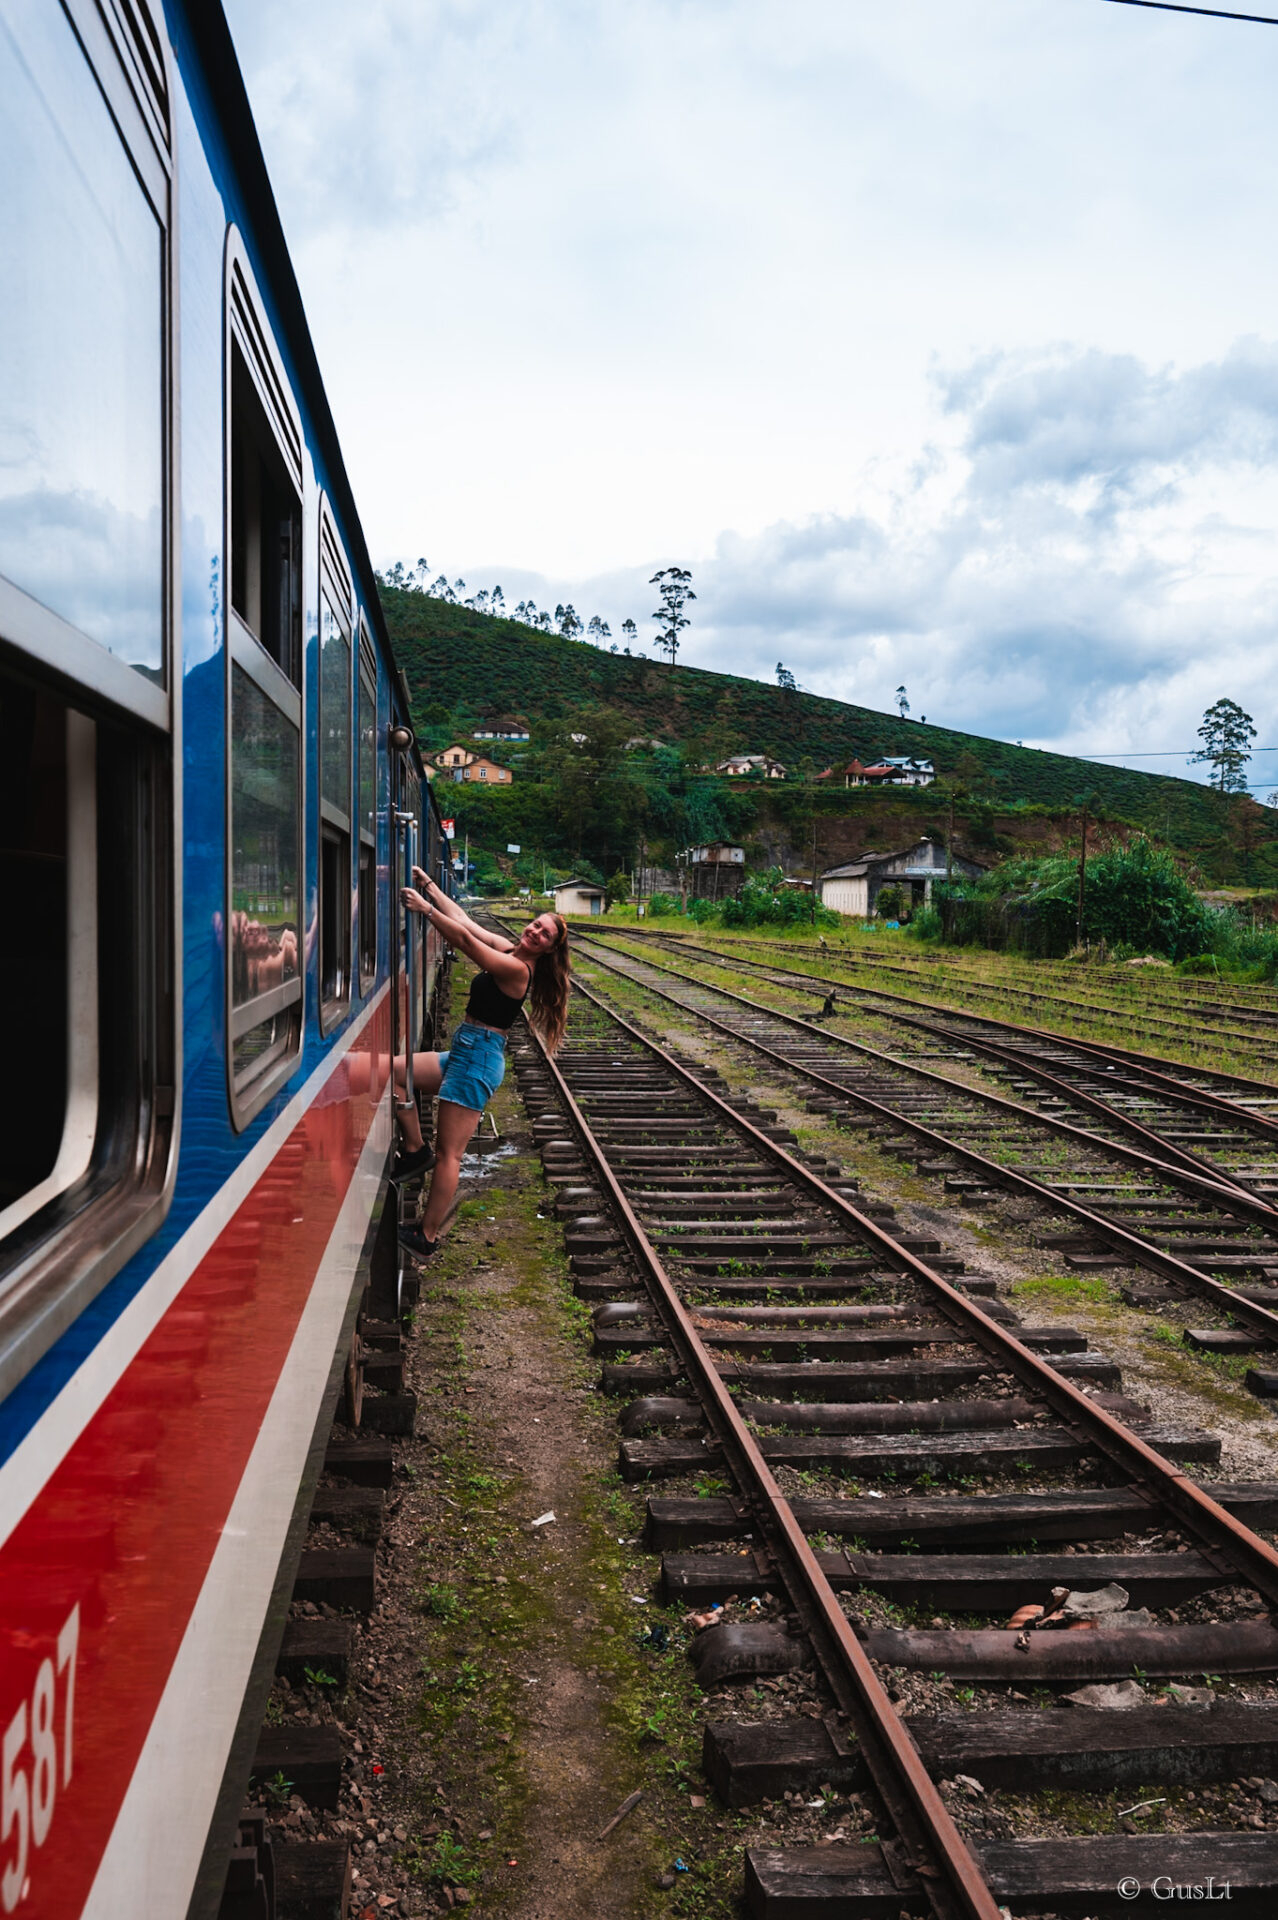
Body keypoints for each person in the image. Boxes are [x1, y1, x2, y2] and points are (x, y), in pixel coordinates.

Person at [394, 870, 570, 1259]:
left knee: (450, 1155)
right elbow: (466, 921)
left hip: (479, 1059)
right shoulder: (511, 951)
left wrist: (425, 910)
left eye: (544, 935)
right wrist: (432, 888)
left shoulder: (517, 970)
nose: (535, 933)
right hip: (466, 1050)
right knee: (395, 1071)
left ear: (548, 949)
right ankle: (414, 1149)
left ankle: (427, 1235)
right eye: (536, 925)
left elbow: (465, 942)